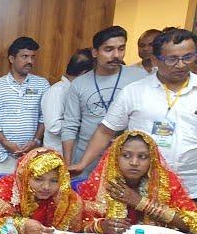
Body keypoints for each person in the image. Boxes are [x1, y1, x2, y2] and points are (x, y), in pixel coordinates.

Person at [69, 28, 197, 199]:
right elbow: (106, 130)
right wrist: (83, 164)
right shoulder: (135, 91)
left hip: (190, 186)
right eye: (172, 59)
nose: (181, 64)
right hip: (141, 187)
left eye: (187, 57)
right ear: (155, 60)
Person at [62, 26, 148, 176]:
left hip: (129, 161)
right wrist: (68, 164)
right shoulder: (79, 84)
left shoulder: (140, 77)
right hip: (86, 160)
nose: (116, 55)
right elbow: (70, 125)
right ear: (95, 52)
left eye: (121, 49)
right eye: (108, 50)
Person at [78, 131, 197, 234]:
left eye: (143, 157)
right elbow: (75, 225)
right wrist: (100, 226)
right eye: (126, 156)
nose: (134, 162)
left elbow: (190, 223)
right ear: (115, 157)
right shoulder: (100, 183)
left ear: (152, 160)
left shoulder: (166, 182)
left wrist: (141, 203)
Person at [0, 148, 84, 234]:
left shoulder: (65, 198)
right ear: (25, 176)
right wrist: (20, 225)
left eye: (54, 181)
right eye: (38, 179)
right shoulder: (4, 191)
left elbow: (75, 232)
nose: (46, 187)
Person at [0, 36, 50, 174]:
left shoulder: (42, 84)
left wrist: (36, 141)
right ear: (12, 59)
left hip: (31, 155)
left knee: (27, 194)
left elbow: (44, 117)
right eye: (24, 56)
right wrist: (6, 144)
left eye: (32, 57)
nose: (29, 61)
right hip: (2, 155)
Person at [41, 48, 94, 153]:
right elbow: (54, 126)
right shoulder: (57, 91)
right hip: (58, 157)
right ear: (85, 73)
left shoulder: (76, 90)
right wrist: (85, 124)